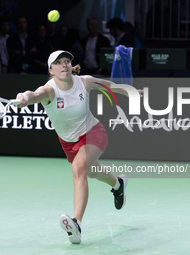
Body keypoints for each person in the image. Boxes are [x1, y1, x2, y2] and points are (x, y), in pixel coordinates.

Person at [16, 50, 142, 244]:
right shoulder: (49, 91)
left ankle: (77, 224)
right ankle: (118, 185)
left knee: (78, 169)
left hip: (93, 132)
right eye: (58, 63)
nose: (64, 65)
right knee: (90, 172)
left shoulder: (84, 82)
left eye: (67, 61)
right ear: (51, 70)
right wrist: (23, 97)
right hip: (68, 142)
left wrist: (131, 92)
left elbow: (109, 86)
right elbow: (34, 95)